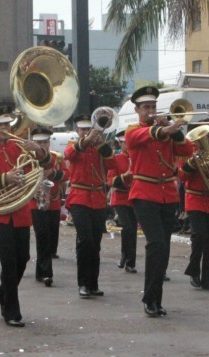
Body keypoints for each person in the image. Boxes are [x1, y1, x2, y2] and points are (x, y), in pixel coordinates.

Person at [0, 105, 51, 327]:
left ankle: (3, 293)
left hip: (20, 209)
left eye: (7, 124)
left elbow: (45, 164)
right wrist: (4, 178)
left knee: (23, 258)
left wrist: (39, 151)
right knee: (8, 261)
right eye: (0, 125)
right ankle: (12, 311)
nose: (5, 128)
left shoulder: (19, 146)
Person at [125, 86, 191, 317]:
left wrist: (175, 131)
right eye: (146, 107)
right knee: (156, 245)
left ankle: (156, 299)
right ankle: (149, 298)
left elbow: (188, 149)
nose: (151, 111)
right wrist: (164, 129)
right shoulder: (133, 130)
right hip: (144, 193)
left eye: (153, 107)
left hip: (167, 195)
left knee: (164, 249)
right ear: (137, 110)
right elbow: (142, 137)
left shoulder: (165, 130)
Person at [64, 113, 116, 299]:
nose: (86, 132)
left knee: (95, 244)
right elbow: (68, 155)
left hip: (98, 199)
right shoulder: (74, 145)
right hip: (79, 198)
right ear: (77, 131)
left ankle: (93, 283)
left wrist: (101, 144)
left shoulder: (100, 147)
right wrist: (85, 142)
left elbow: (113, 164)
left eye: (89, 129)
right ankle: (83, 283)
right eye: (83, 129)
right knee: (85, 241)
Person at [179, 124, 209, 290]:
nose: (202, 140)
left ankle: (208, 278)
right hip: (195, 199)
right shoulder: (188, 154)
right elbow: (182, 176)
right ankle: (194, 269)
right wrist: (192, 162)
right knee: (199, 236)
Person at [30, 127, 68, 286]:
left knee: (51, 236)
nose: (42, 145)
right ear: (33, 142)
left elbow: (67, 175)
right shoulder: (28, 158)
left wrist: (53, 172)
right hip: (35, 202)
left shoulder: (56, 157)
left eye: (45, 142)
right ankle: (47, 273)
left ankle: (40, 271)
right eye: (38, 142)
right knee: (42, 235)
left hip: (53, 201)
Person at [107, 130, 137, 273]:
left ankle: (130, 262)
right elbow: (110, 181)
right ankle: (125, 255)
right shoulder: (117, 158)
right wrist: (124, 177)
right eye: (125, 142)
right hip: (120, 197)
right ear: (121, 143)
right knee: (128, 227)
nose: (128, 145)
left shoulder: (137, 157)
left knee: (133, 229)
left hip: (135, 197)